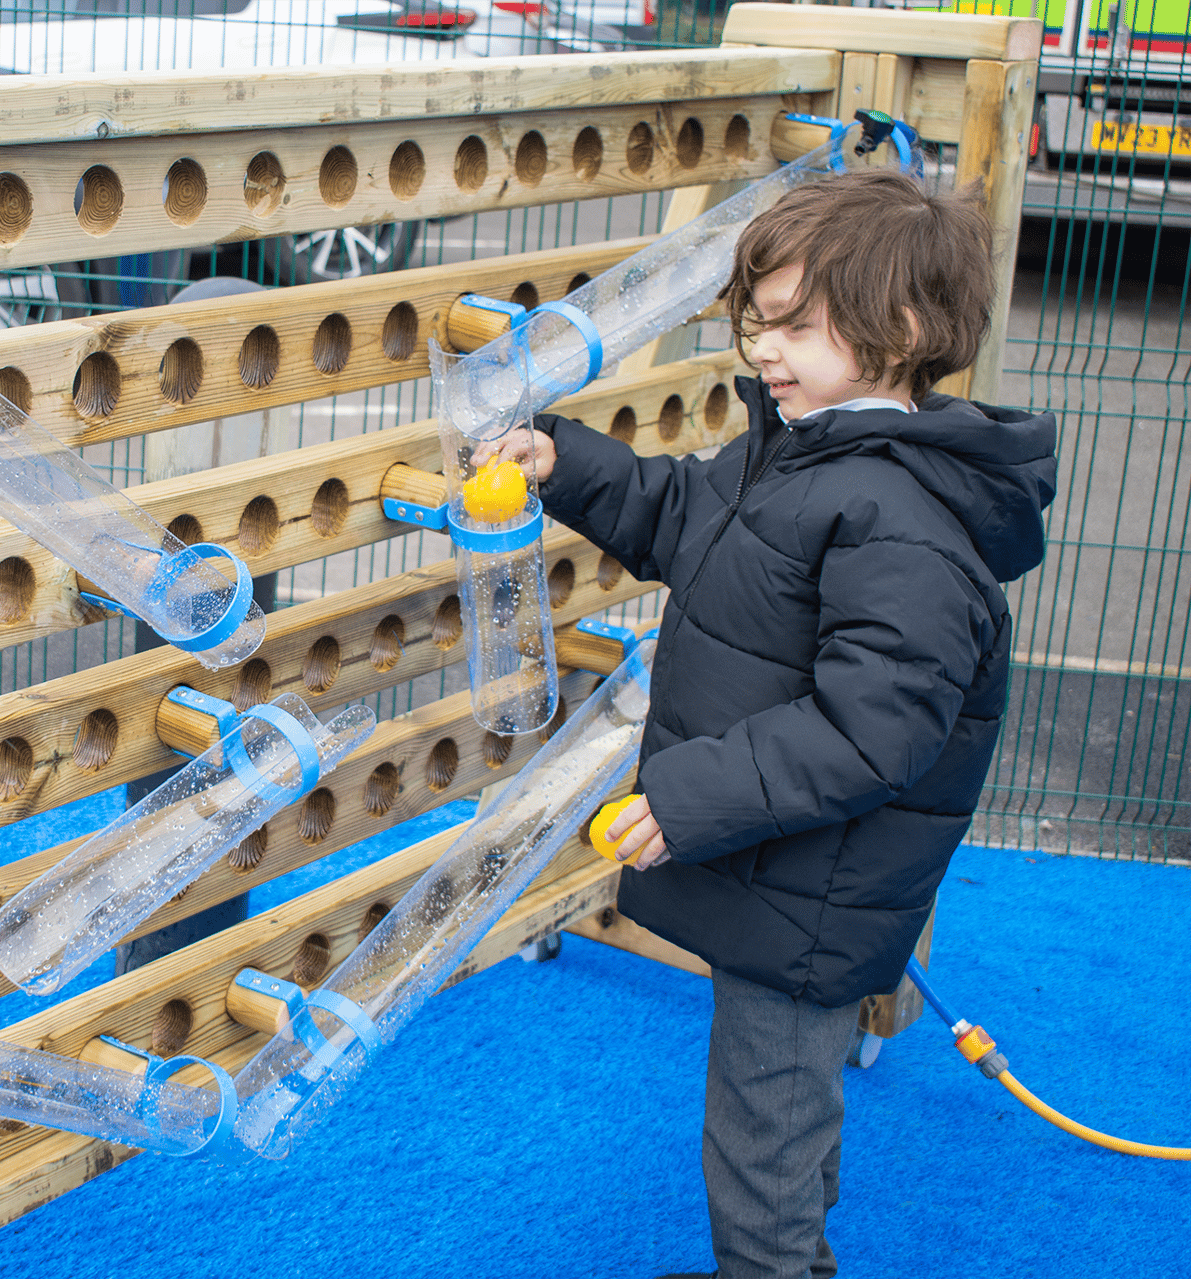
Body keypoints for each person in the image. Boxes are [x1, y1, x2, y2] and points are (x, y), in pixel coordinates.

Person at [474, 167, 1057, 1279]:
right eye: (758, 320)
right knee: (782, 1109)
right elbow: (683, 516)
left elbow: (873, 728)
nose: (763, 350)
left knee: (762, 1129)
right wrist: (566, 462)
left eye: (795, 324)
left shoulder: (902, 519)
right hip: (791, 866)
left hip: (817, 890)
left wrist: (686, 802)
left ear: (902, 329)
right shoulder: (806, 447)